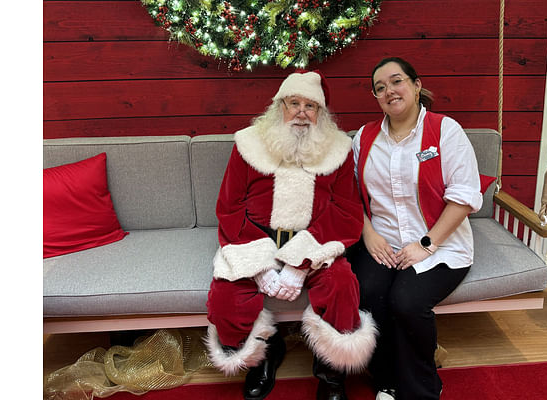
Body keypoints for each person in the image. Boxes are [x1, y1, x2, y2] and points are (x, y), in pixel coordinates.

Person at [204, 70, 377, 400]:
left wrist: (300, 264)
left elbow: (345, 211)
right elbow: (230, 207)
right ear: (278, 107)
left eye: (310, 106)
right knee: (226, 299)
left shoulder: (339, 150)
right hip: (252, 239)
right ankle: (263, 357)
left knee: (342, 287)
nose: (301, 111)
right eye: (294, 103)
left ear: (320, 114)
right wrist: (261, 266)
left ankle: (331, 373)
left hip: (317, 242)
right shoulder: (247, 144)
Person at [349, 57, 483, 400]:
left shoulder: (445, 130)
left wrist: (426, 243)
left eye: (397, 82)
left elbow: (465, 196)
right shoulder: (364, 139)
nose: (389, 91)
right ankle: (386, 381)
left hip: (440, 243)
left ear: (416, 85)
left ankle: (423, 389)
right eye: (380, 88)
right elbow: (348, 194)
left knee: (406, 301)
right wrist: (368, 233)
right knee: (368, 294)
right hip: (382, 242)